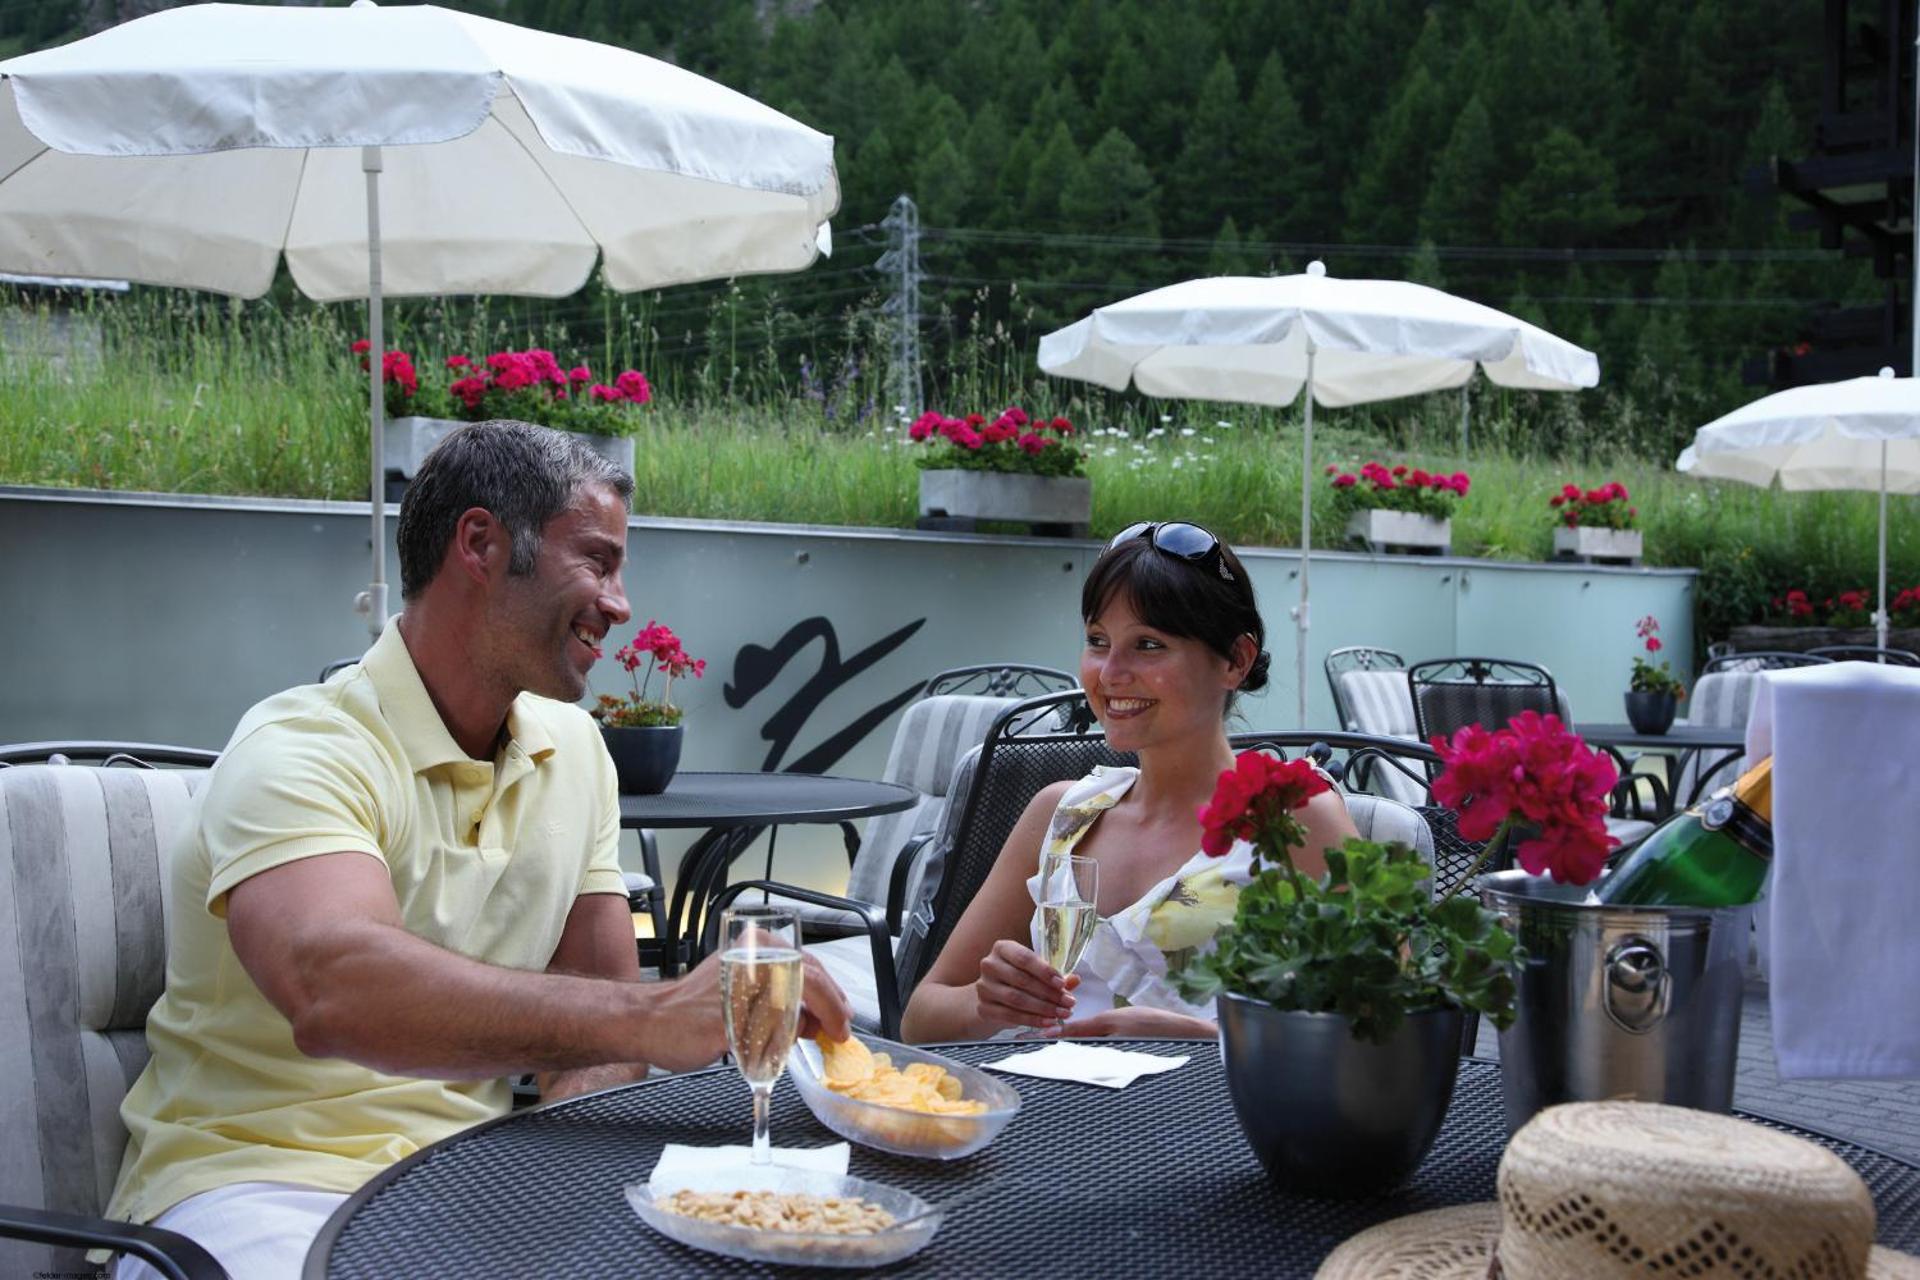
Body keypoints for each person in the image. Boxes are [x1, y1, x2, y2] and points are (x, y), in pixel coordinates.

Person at [106, 421, 850, 1279]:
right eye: (599, 562)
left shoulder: (575, 750)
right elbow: (333, 987)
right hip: (258, 1190)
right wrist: (656, 1013)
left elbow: (599, 1027)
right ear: (481, 543)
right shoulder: (300, 747)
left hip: (472, 1183)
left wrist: (573, 1178)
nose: (620, 603)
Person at [899, 520, 1356, 1043]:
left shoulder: (1294, 819)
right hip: (1046, 1116)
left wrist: (1214, 1043)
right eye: (1097, 640)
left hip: (1203, 1122)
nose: (1110, 672)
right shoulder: (1064, 815)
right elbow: (920, 1020)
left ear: (1235, 660)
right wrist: (989, 1004)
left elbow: (1391, 1037)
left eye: (1148, 644)